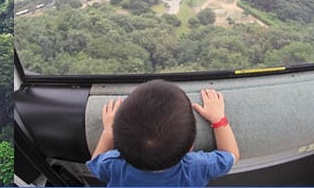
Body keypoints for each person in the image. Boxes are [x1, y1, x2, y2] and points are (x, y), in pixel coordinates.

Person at [86, 79, 240, 186]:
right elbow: (232, 155)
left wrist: (107, 131)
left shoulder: (113, 166)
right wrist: (218, 119)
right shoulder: (196, 167)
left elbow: (96, 162)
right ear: (190, 146)